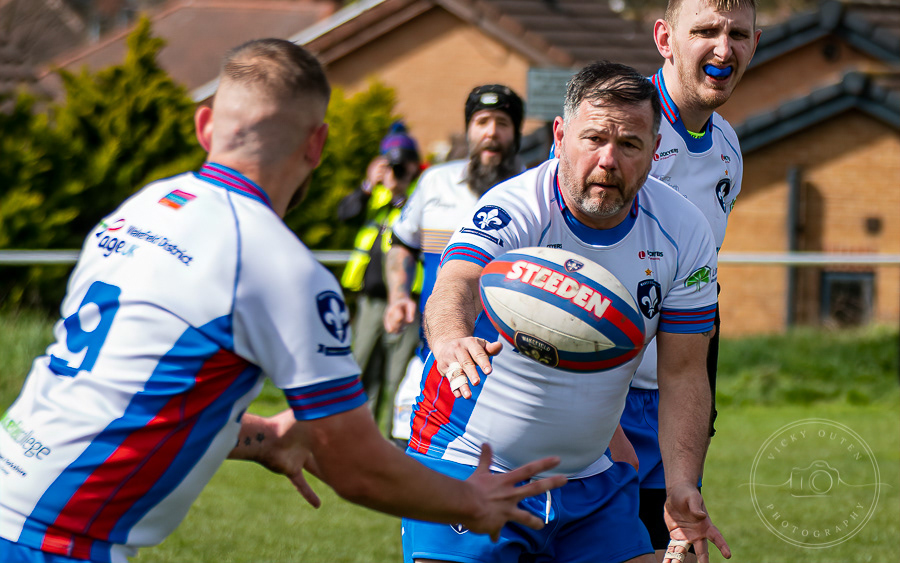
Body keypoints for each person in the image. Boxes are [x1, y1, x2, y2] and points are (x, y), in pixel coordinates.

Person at [0, 39, 567, 563]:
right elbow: (356, 466)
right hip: (53, 540)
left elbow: (133, 389)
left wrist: (267, 438)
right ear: (316, 144)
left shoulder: (142, 209)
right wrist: (475, 503)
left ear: (204, 127)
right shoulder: (280, 266)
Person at [403, 61, 732, 563]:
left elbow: (685, 372)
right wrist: (451, 338)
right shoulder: (516, 205)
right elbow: (457, 281)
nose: (607, 161)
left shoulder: (685, 231)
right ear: (559, 136)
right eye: (593, 139)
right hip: (468, 463)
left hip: (591, 483)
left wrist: (682, 486)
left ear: (654, 151)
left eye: (629, 145)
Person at [615, 0, 760, 561]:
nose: (724, 48)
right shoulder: (621, 134)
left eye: (740, 34)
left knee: (675, 549)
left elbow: (702, 290)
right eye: (705, 31)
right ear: (665, 39)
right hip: (603, 398)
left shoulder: (727, 147)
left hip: (676, 398)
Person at [383, 84, 525, 444]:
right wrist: (399, 295)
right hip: (433, 357)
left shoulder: (536, 191)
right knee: (413, 472)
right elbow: (401, 244)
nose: (491, 132)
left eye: (502, 123)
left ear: (517, 132)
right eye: (481, 121)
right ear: (468, 130)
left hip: (508, 370)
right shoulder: (435, 182)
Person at [338, 121, 422, 428]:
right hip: (370, 302)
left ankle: (389, 443)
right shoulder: (374, 196)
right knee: (361, 371)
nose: (398, 172)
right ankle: (360, 437)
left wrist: (399, 193)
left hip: (405, 302)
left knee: (396, 377)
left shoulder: (418, 197)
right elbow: (344, 214)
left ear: (414, 166)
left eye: (403, 165)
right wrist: (367, 185)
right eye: (392, 165)